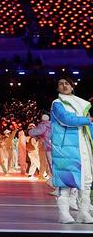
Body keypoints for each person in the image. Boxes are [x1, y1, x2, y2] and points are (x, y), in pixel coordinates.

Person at [50, 77, 93, 224]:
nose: (64, 86)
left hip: (83, 146)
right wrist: (87, 120)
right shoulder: (57, 104)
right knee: (66, 182)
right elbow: (66, 119)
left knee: (86, 181)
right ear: (58, 89)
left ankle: (84, 213)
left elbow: (89, 128)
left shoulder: (82, 104)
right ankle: (64, 214)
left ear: (72, 87)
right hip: (66, 149)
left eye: (66, 83)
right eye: (60, 84)